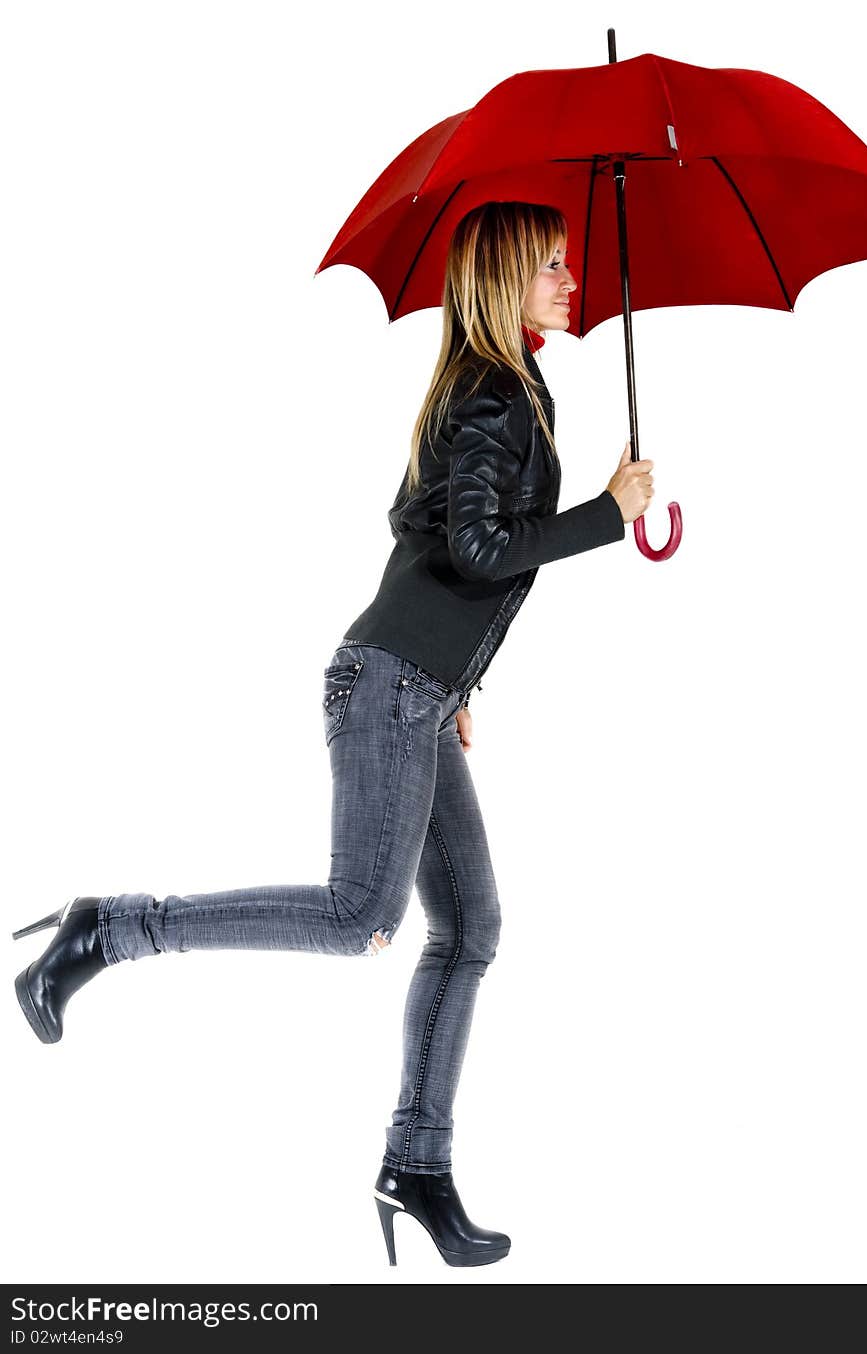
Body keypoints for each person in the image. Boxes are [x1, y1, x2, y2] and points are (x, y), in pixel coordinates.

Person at [12, 201, 653, 1268]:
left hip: (417, 690)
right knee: (364, 913)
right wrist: (605, 510)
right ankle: (110, 927)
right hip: (389, 684)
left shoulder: (502, 386)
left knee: (472, 925)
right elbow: (483, 547)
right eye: (549, 265)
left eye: (567, 264)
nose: (569, 279)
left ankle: (417, 1164)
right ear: (501, 278)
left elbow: (427, 539)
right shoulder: (493, 392)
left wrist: (459, 681)